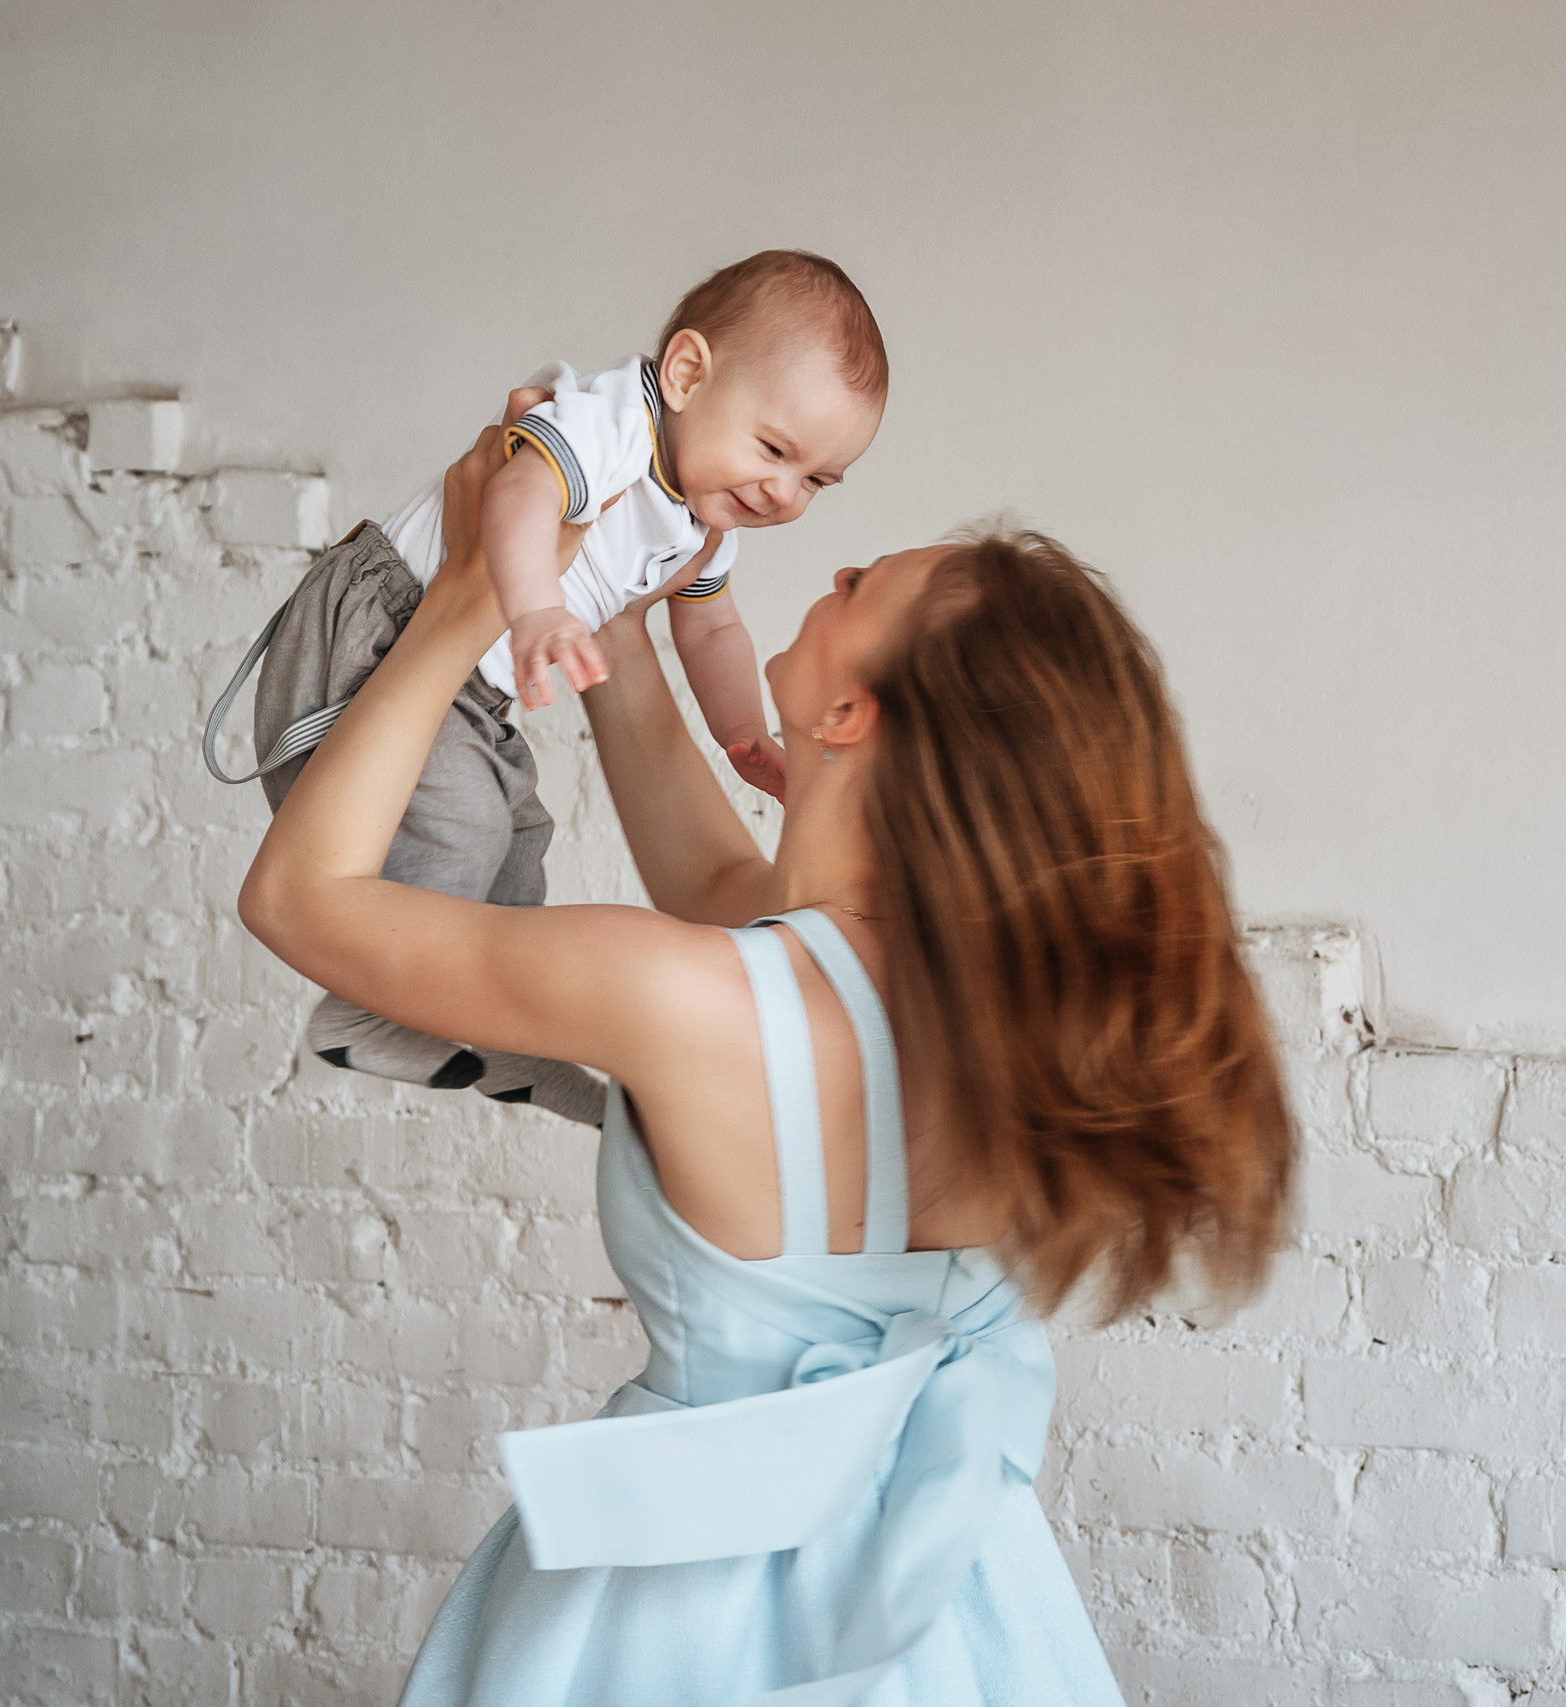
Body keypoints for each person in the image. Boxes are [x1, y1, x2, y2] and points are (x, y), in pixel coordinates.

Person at [240, 399, 1294, 1705]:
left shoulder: (689, 996)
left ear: (848, 710)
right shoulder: (969, 1009)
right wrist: (607, 595)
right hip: (948, 1607)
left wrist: (467, 596)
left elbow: (298, 898)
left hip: (680, 1599)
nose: (829, 569)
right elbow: (721, 869)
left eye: (858, 583)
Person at [296, 251, 886, 1118]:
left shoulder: (706, 523)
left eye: (816, 482)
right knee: (462, 825)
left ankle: (495, 1038)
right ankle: (364, 1009)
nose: (784, 493)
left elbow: (711, 627)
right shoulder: (616, 424)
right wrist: (533, 608)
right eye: (775, 450)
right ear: (686, 372)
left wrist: (742, 735)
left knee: (519, 844)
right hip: (383, 622)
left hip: (471, 686)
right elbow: (519, 493)